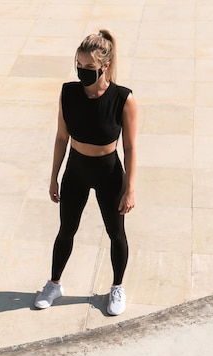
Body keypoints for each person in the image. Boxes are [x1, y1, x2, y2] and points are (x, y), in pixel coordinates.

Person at [34, 29, 137, 316]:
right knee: (66, 231)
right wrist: (54, 176)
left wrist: (130, 188)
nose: (82, 72)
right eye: (79, 66)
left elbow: (130, 147)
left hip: (109, 173)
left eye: (89, 68)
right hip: (76, 171)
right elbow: (60, 138)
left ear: (104, 66)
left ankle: (117, 287)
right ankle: (54, 284)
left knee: (116, 233)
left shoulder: (123, 99)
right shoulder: (68, 93)